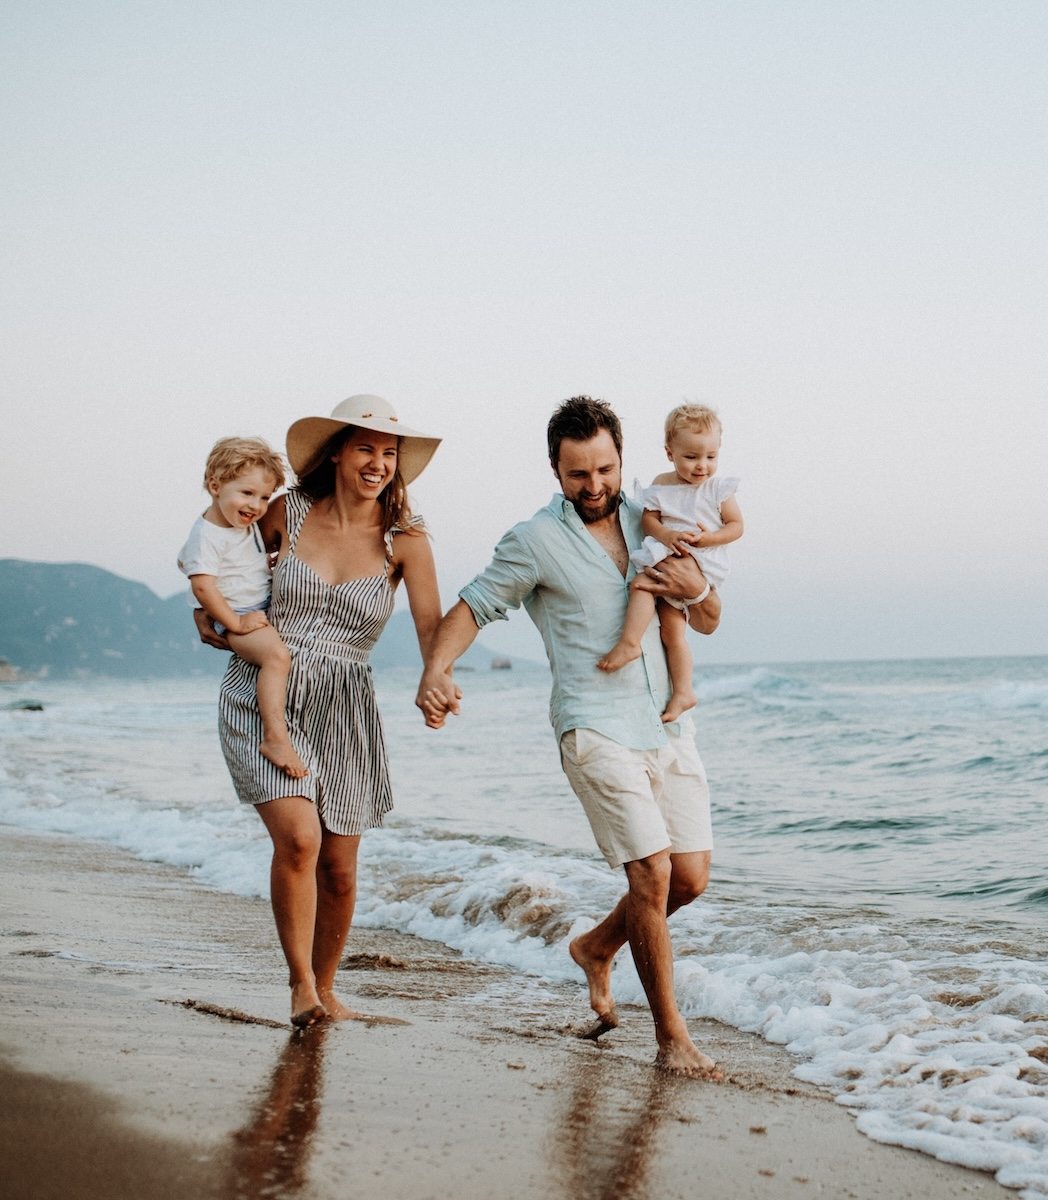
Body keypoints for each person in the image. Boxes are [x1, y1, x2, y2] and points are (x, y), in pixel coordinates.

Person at [416, 396, 724, 1078]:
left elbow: (706, 619)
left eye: (605, 470)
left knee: (689, 880)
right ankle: (671, 1039)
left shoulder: (656, 517)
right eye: (577, 474)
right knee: (651, 874)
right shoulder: (533, 540)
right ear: (554, 470)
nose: (594, 487)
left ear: (622, 460)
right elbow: (473, 605)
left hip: (667, 725)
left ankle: (593, 947)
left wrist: (697, 584)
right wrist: (436, 668)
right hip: (593, 726)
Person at [195, 395, 443, 1028]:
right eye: (366, 448)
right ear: (336, 451)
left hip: (347, 706)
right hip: (264, 687)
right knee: (301, 841)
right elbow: (224, 562)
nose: (378, 464)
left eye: (389, 454)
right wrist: (212, 617)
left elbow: (428, 627)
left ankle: (328, 991)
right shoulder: (286, 512)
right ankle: (301, 986)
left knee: (339, 870)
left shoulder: (406, 541)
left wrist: (436, 677)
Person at [596, 404, 743, 722]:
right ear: (669, 452)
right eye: (691, 457)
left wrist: (709, 539)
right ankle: (683, 693)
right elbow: (649, 521)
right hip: (668, 551)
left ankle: (629, 642)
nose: (702, 466)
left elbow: (736, 526)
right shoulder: (661, 483)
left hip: (700, 560)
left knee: (641, 583)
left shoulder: (718, 489)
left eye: (710, 457)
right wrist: (665, 535)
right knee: (672, 632)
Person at [179, 437, 307, 779]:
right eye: (247, 493)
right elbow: (202, 585)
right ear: (215, 485)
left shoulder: (238, 524)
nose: (257, 505)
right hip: (235, 617)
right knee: (277, 658)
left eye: (264, 497)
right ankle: (274, 738)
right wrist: (234, 623)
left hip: (255, 606)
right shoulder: (206, 535)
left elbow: (195, 565)